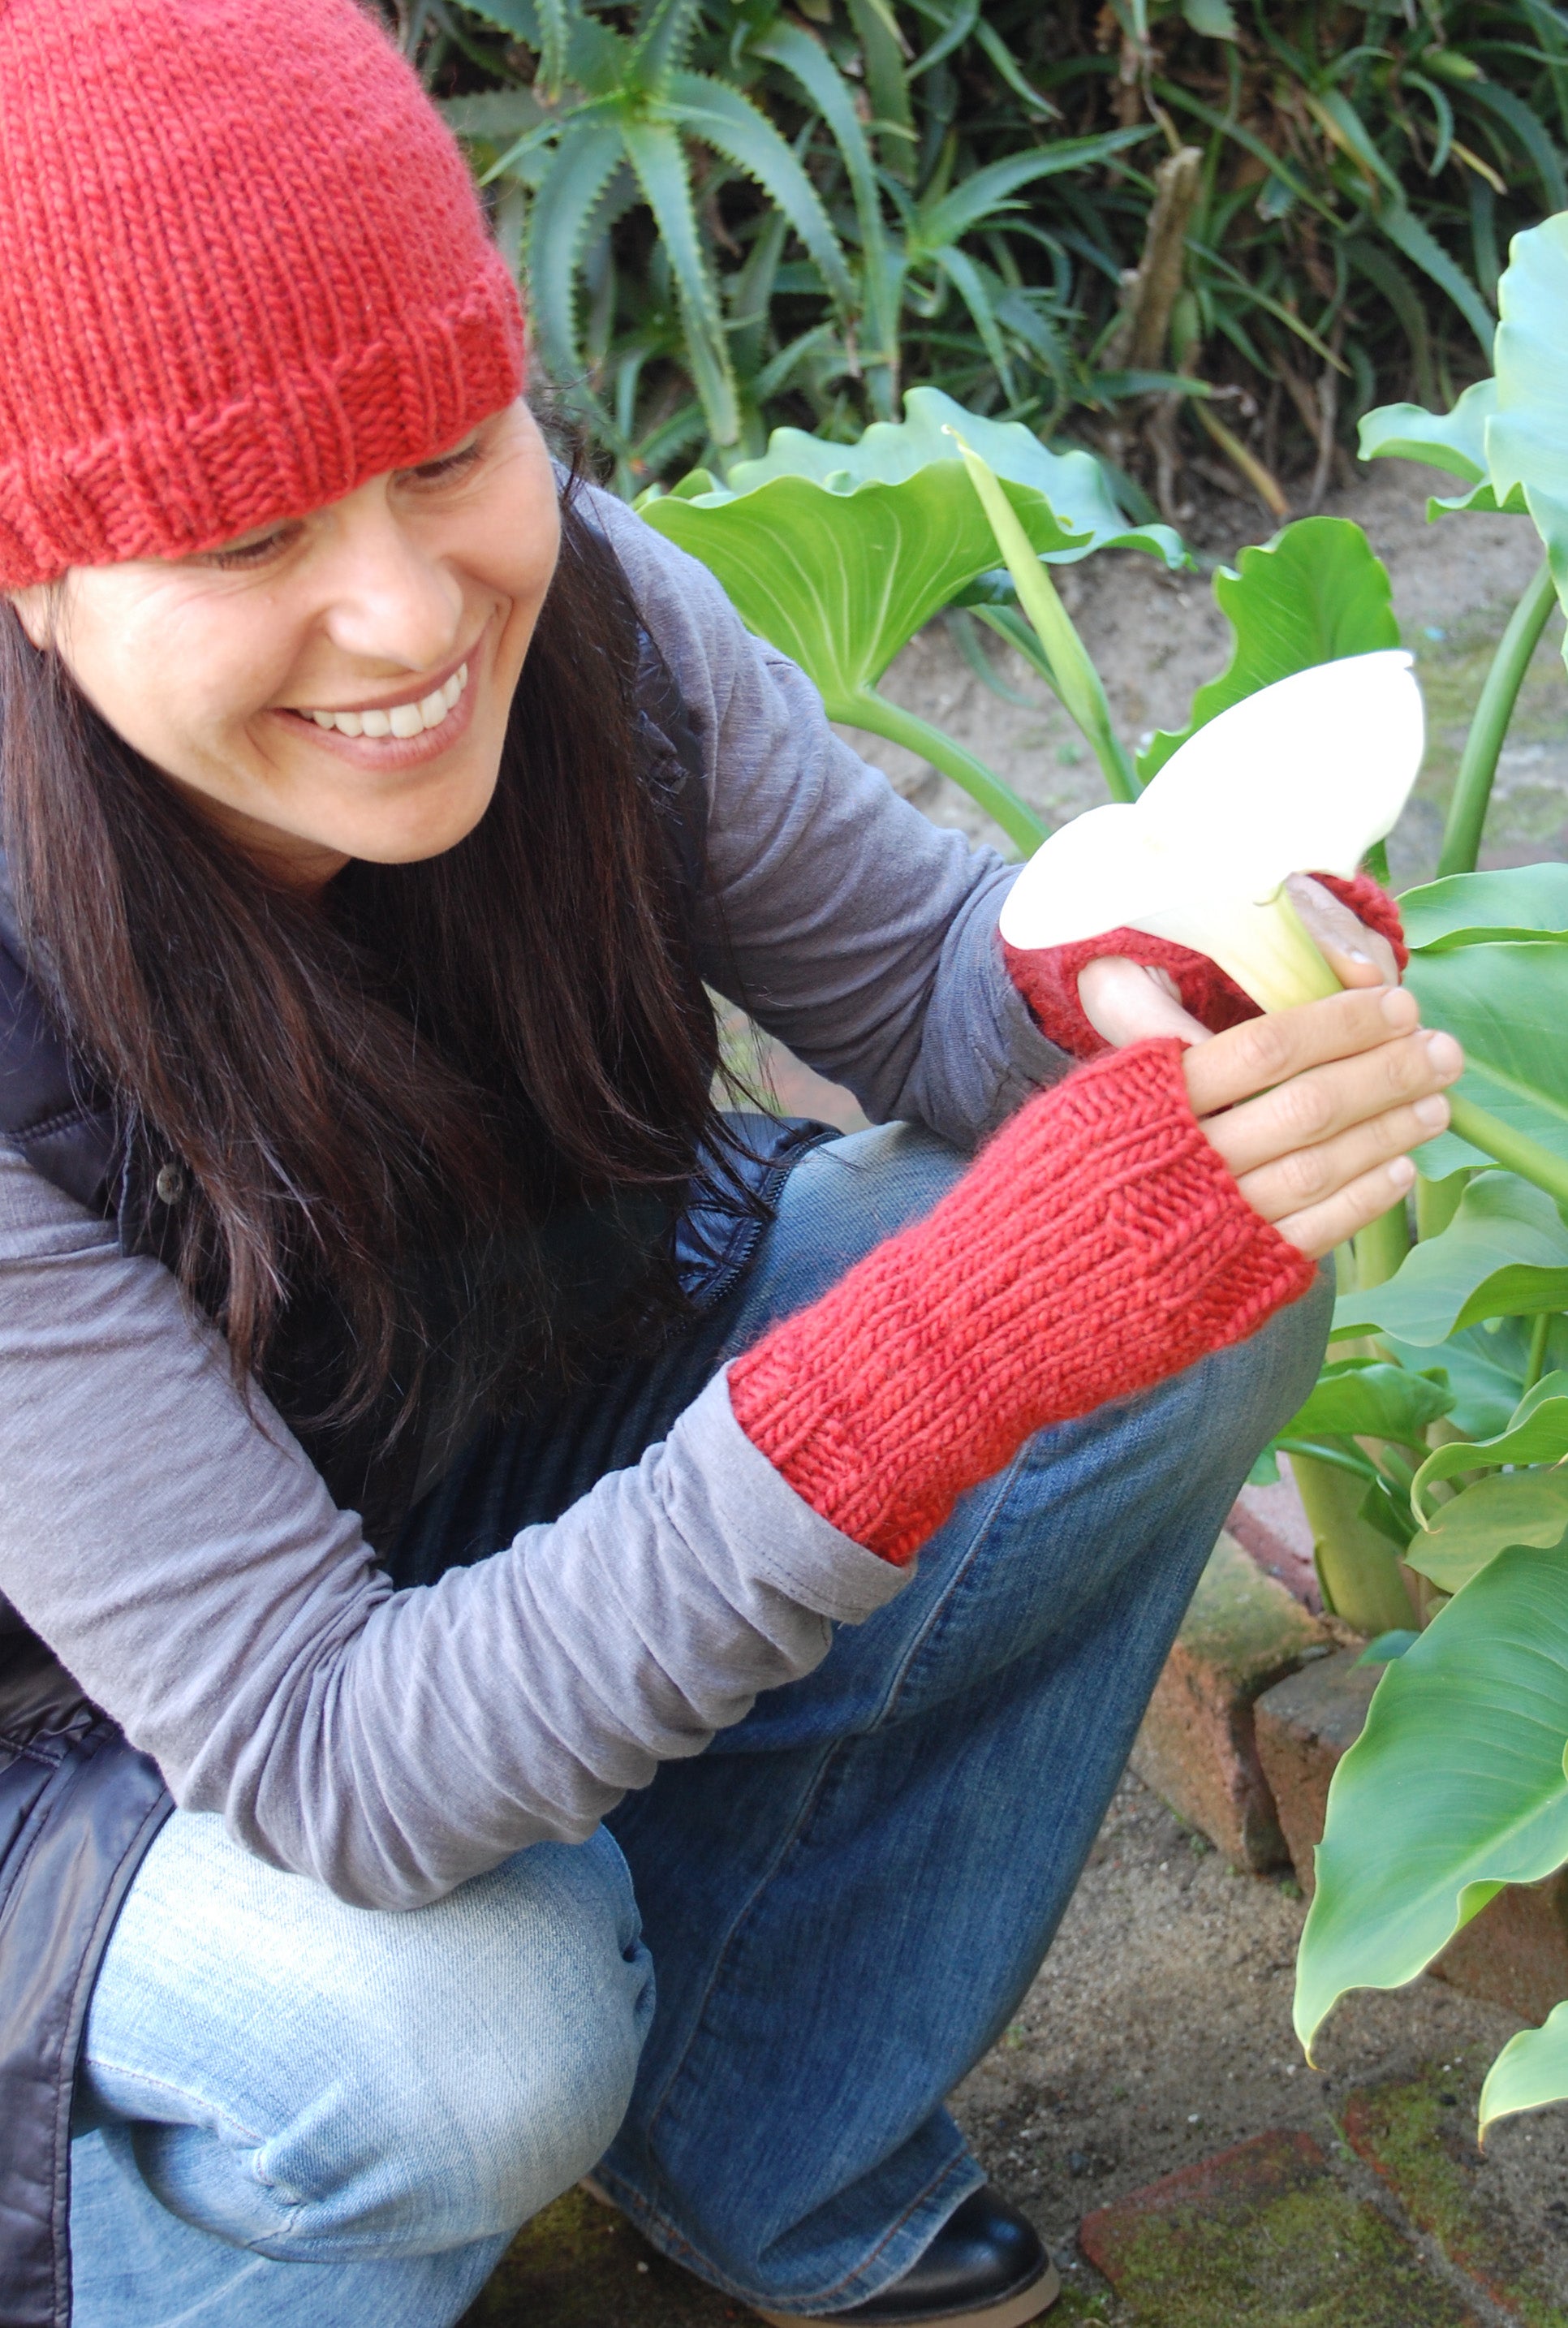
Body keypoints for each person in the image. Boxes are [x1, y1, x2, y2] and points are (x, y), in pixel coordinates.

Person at [0, 5, 1461, 2325]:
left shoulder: (582, 613)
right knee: (462, 2020)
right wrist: (953, 1343)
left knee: (1195, 1267)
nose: (405, 610)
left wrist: (1127, 960)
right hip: (105, 1743)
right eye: (250, 528)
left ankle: (768, 2137)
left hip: (470, 1439)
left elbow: (911, 986)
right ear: (35, 572)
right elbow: (325, 1755)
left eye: (447, 446)